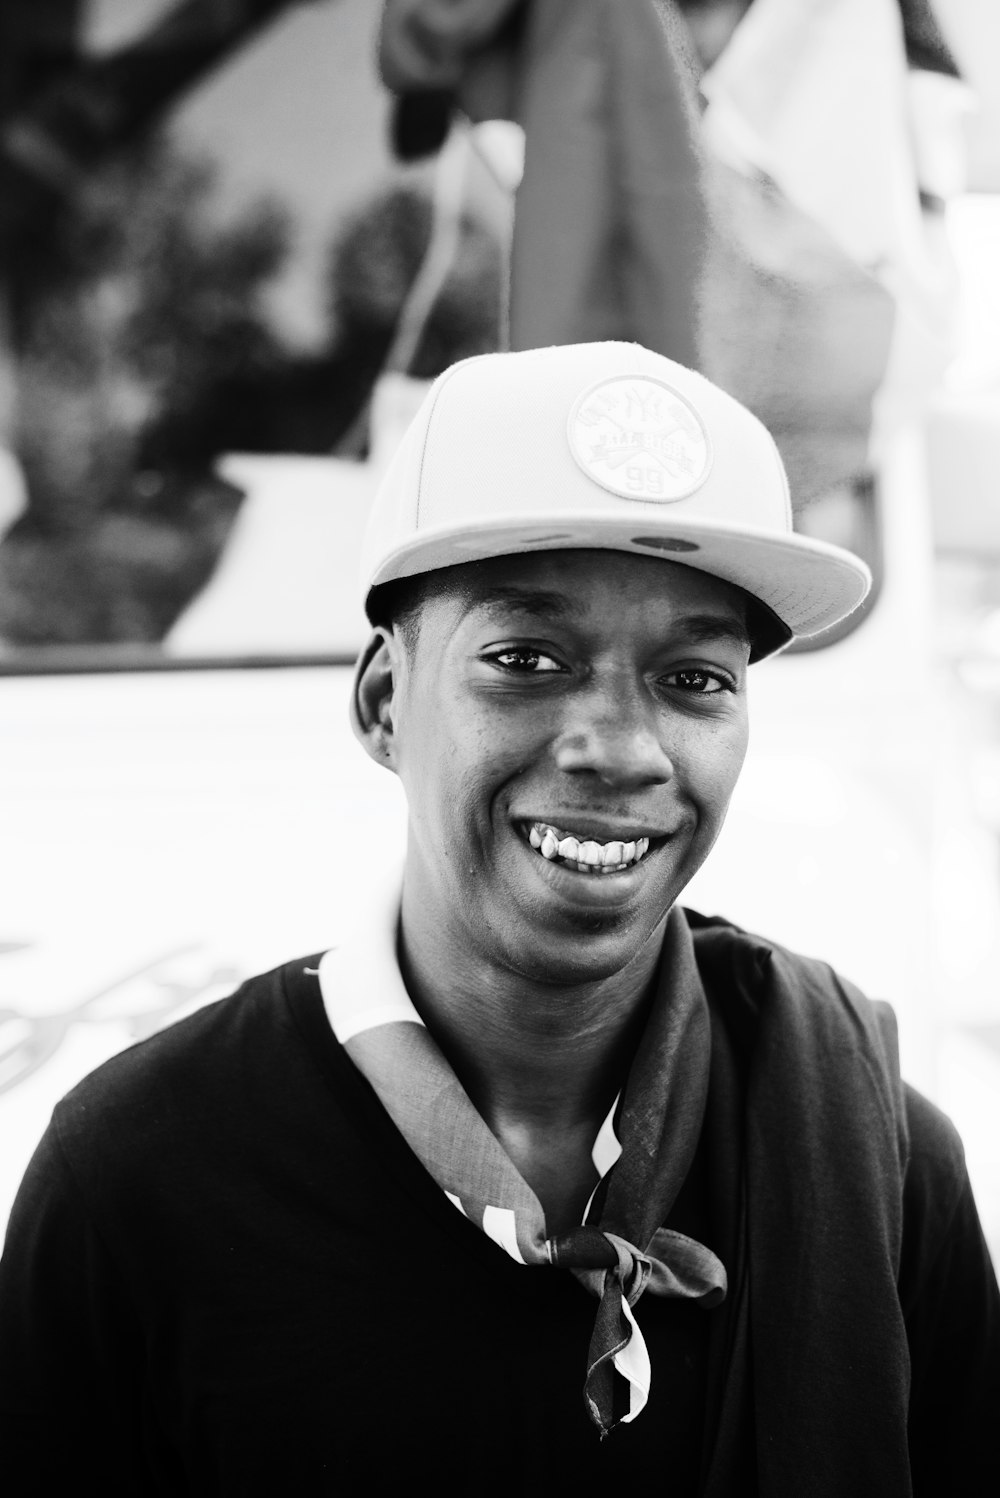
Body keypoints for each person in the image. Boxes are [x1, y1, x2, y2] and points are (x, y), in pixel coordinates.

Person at [0, 341, 997, 1495]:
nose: (619, 750)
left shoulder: (870, 1154)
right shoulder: (141, 1171)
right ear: (384, 702)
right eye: (526, 658)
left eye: (695, 679)